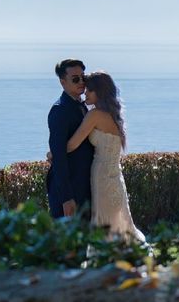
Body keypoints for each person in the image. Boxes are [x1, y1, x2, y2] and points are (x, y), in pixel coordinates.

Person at [64, 71, 145, 242]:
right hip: (115, 176)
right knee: (116, 220)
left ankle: (105, 259)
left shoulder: (94, 115)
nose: (85, 93)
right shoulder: (113, 115)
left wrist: (53, 153)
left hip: (102, 176)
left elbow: (72, 144)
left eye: (89, 90)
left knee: (104, 222)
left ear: (98, 92)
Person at [47, 58, 94, 219]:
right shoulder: (60, 110)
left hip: (85, 187)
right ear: (62, 82)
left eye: (83, 77)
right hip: (70, 192)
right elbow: (58, 158)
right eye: (75, 79)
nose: (81, 82)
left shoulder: (83, 106)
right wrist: (66, 198)